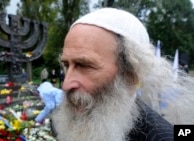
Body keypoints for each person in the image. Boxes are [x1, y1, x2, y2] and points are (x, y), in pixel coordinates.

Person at [51, 8, 194, 141]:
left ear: (132, 74)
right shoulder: (63, 122)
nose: (66, 84)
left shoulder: (161, 137)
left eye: (84, 65)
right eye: (66, 65)